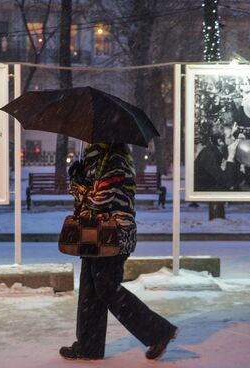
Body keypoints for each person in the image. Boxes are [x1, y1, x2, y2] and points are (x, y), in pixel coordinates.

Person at [59, 143, 178, 361]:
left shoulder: (116, 161)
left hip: (114, 235)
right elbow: (83, 201)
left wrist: (80, 184)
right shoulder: (92, 162)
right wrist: (79, 179)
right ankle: (88, 347)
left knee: (106, 288)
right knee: (89, 291)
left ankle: (158, 332)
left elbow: (99, 200)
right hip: (92, 233)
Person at [193, 122, 241, 191]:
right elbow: (226, 182)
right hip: (202, 187)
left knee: (239, 176)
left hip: (212, 180)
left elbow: (235, 170)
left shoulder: (220, 147)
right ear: (220, 141)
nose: (233, 139)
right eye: (230, 136)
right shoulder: (208, 155)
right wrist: (231, 157)